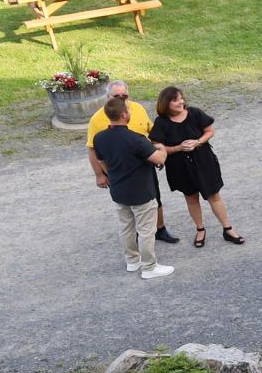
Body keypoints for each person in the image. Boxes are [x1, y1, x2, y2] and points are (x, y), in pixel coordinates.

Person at [92, 95, 174, 279]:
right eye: (128, 110)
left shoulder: (100, 138)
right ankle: (149, 267)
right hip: (141, 192)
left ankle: (132, 261)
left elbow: (101, 161)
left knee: (126, 227)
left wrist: (111, 174)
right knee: (146, 230)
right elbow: (159, 159)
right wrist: (161, 148)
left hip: (119, 191)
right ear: (123, 114)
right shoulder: (135, 139)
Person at [148, 86, 242, 246]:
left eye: (181, 98)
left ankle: (228, 229)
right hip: (179, 167)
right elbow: (158, 147)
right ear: (166, 103)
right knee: (191, 198)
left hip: (204, 161)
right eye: (175, 100)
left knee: (214, 196)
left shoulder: (194, 113)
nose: (181, 102)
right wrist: (179, 148)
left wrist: (198, 142)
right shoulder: (161, 122)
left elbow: (210, 131)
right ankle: (200, 230)